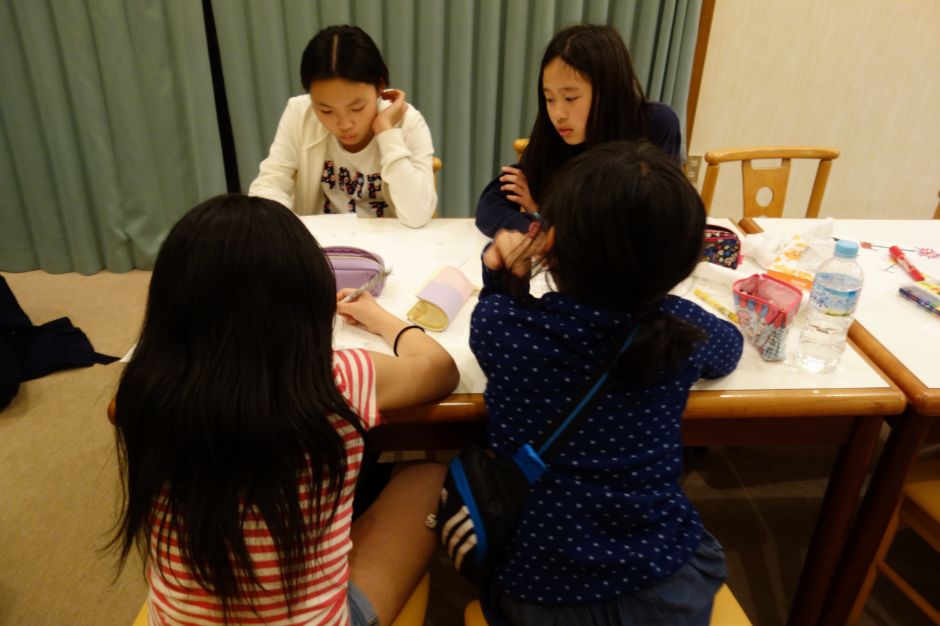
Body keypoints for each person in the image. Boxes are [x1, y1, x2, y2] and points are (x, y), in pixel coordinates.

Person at [110, 194, 458, 625]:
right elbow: (440, 369)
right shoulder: (335, 379)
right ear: (306, 299)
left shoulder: (144, 388)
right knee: (430, 476)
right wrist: (379, 317)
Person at [470, 141, 743, 625]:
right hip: (665, 588)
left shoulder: (505, 328)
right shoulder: (679, 331)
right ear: (682, 264)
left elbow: (493, 314)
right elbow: (730, 350)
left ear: (550, 243)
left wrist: (502, 274)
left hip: (540, 593)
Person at [475, 24, 681, 237]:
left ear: (609, 90)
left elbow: (645, 224)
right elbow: (489, 209)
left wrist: (539, 213)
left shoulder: (655, 124)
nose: (558, 114)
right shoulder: (554, 136)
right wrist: (541, 229)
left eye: (570, 98)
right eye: (549, 99)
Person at [250, 25, 436, 228]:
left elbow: (418, 215)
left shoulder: (407, 122)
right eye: (326, 110)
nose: (344, 124)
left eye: (357, 108)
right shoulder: (300, 113)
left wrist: (386, 130)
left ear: (380, 86)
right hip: (321, 241)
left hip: (391, 242)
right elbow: (271, 183)